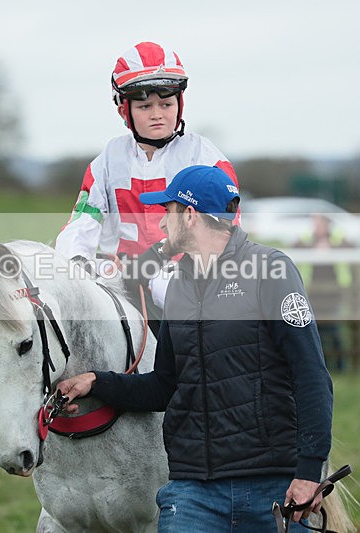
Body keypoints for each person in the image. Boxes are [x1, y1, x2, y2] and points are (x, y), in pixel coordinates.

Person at [57, 165, 333, 532]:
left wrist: (310, 472)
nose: (161, 224)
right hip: (193, 492)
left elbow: (311, 374)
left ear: (189, 216)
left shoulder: (272, 270)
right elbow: (164, 386)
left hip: (273, 488)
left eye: (166, 212)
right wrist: (97, 382)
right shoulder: (179, 289)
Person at [54, 41, 239, 332]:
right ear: (123, 111)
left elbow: (226, 230)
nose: (157, 114)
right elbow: (80, 225)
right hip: (120, 286)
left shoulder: (204, 156)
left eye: (166, 104)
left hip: (188, 285)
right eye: (145, 106)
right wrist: (78, 264)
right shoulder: (106, 161)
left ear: (180, 104)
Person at [296, 214, 354, 371]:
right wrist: (314, 249)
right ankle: (322, 365)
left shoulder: (338, 239)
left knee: (334, 332)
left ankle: (340, 366)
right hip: (311, 295)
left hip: (334, 296)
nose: (317, 226)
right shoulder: (306, 239)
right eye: (315, 222)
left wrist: (330, 249)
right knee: (315, 332)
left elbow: (351, 250)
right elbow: (294, 248)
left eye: (320, 222)